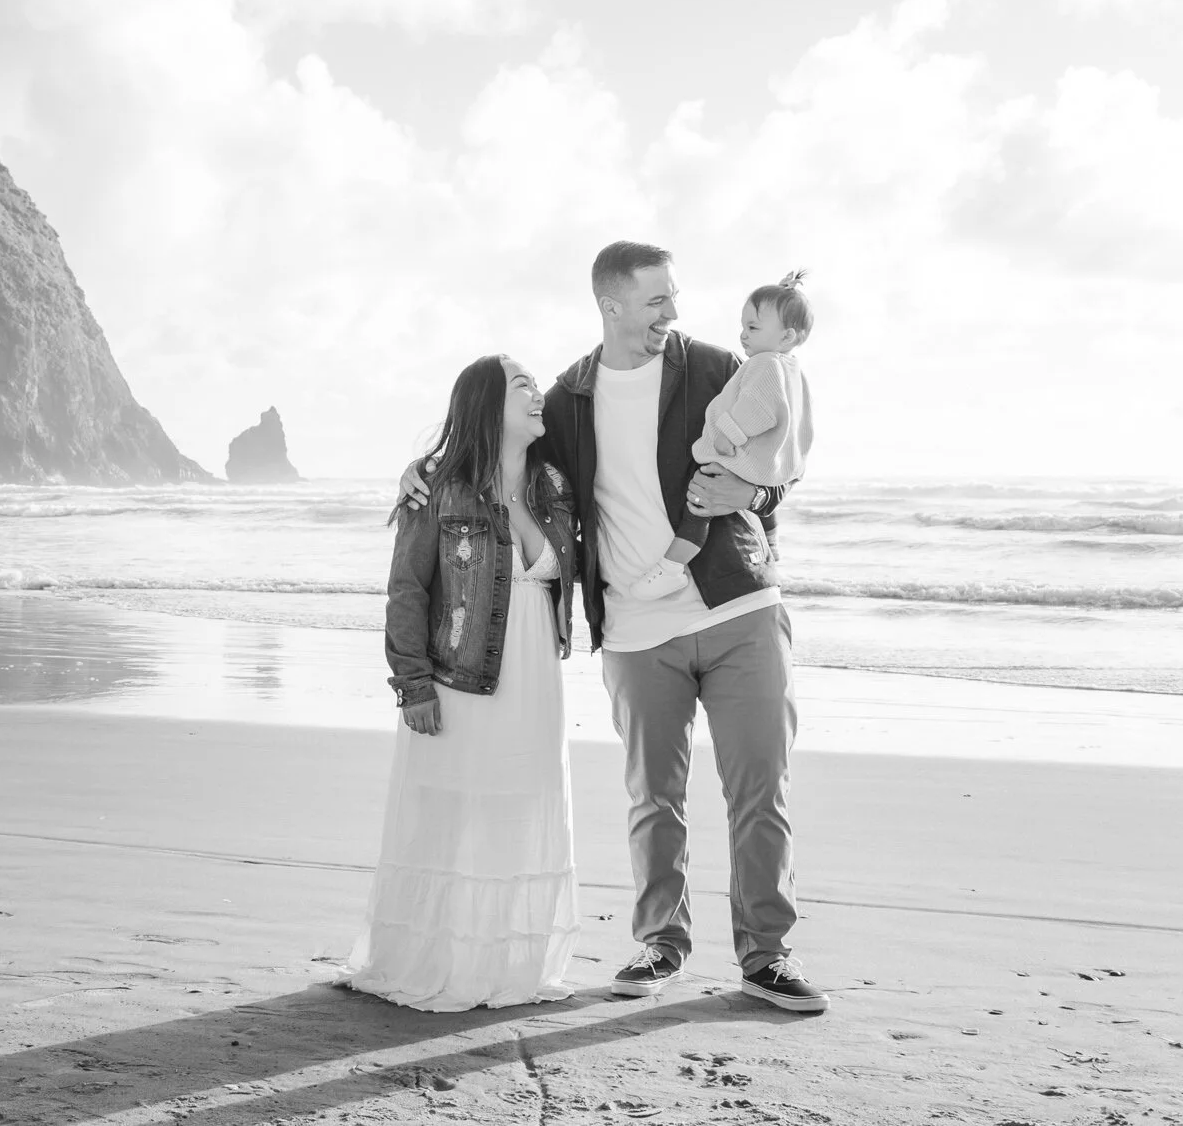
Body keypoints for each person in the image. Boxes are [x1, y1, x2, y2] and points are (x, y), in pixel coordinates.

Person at [401, 241, 829, 1015]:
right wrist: (425, 472)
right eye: (657, 299)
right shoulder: (567, 400)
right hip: (634, 630)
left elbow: (780, 456)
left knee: (760, 790)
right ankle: (662, 943)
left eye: (674, 296)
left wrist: (754, 494)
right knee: (653, 798)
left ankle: (767, 956)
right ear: (612, 306)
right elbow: (505, 462)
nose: (673, 312)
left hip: (739, 609)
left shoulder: (714, 368)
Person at [339, 354, 582, 1012]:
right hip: (459, 683)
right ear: (486, 404)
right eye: (522, 386)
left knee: (520, 809)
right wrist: (412, 683)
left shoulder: (555, 485)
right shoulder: (440, 489)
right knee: (447, 817)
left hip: (536, 683)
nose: (538, 395)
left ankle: (506, 964)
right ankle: (437, 959)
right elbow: (408, 587)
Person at [630, 270, 815, 601]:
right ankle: (771, 543)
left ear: (786, 337)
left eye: (753, 328)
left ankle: (671, 567)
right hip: (768, 464)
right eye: (743, 327)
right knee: (759, 510)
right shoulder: (791, 368)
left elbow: (758, 410)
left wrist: (727, 435)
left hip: (735, 454)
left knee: (698, 506)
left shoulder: (765, 365)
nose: (743, 335)